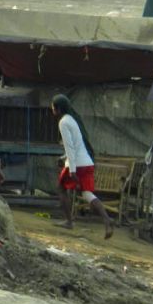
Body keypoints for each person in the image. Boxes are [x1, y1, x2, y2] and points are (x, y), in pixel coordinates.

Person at [51, 94, 113, 239]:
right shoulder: (73, 119)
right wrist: (64, 158)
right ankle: (107, 219)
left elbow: (70, 148)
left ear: (58, 109)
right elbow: (78, 145)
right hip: (86, 162)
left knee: (61, 188)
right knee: (87, 194)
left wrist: (72, 170)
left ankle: (69, 221)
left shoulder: (63, 122)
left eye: (53, 108)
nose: (52, 111)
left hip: (77, 164)